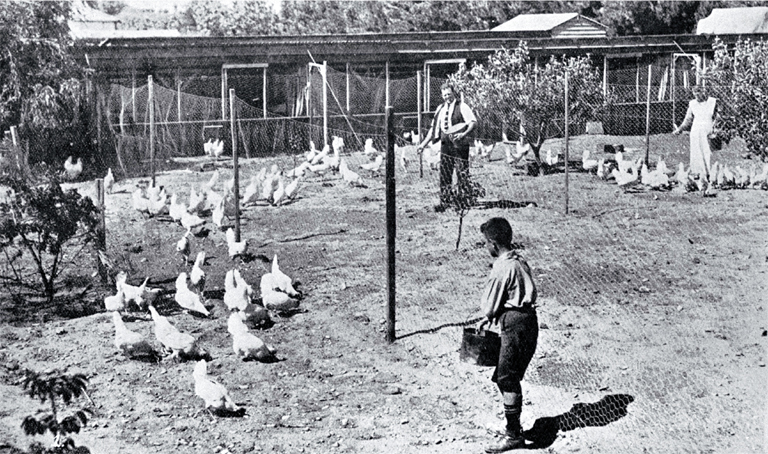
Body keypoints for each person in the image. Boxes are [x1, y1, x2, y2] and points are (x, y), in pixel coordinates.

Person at [476, 217, 538, 453]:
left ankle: (513, 435)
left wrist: (489, 314)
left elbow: (490, 305)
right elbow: (516, 293)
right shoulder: (519, 259)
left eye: (486, 243)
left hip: (515, 325)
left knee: (507, 378)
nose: (486, 248)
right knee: (504, 375)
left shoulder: (503, 266)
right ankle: (513, 426)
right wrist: (492, 318)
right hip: (527, 321)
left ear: (492, 243)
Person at [417, 82, 477, 212]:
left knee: (462, 173)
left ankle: (463, 201)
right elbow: (433, 129)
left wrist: (463, 133)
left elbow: (472, 122)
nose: (447, 97)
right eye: (444, 95)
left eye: (449, 94)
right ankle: (444, 201)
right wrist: (423, 144)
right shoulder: (440, 109)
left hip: (460, 144)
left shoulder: (462, 106)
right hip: (445, 145)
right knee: (445, 173)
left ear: (453, 93)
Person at [673, 85, 718, 185]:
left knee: (707, 152)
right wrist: (680, 129)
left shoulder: (712, 102)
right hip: (696, 130)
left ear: (704, 91)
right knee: (696, 152)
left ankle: (710, 174)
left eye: (699, 92)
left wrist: (716, 128)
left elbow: (718, 117)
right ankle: (698, 173)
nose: (697, 95)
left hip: (707, 130)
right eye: (695, 93)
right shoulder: (692, 104)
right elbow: (688, 119)